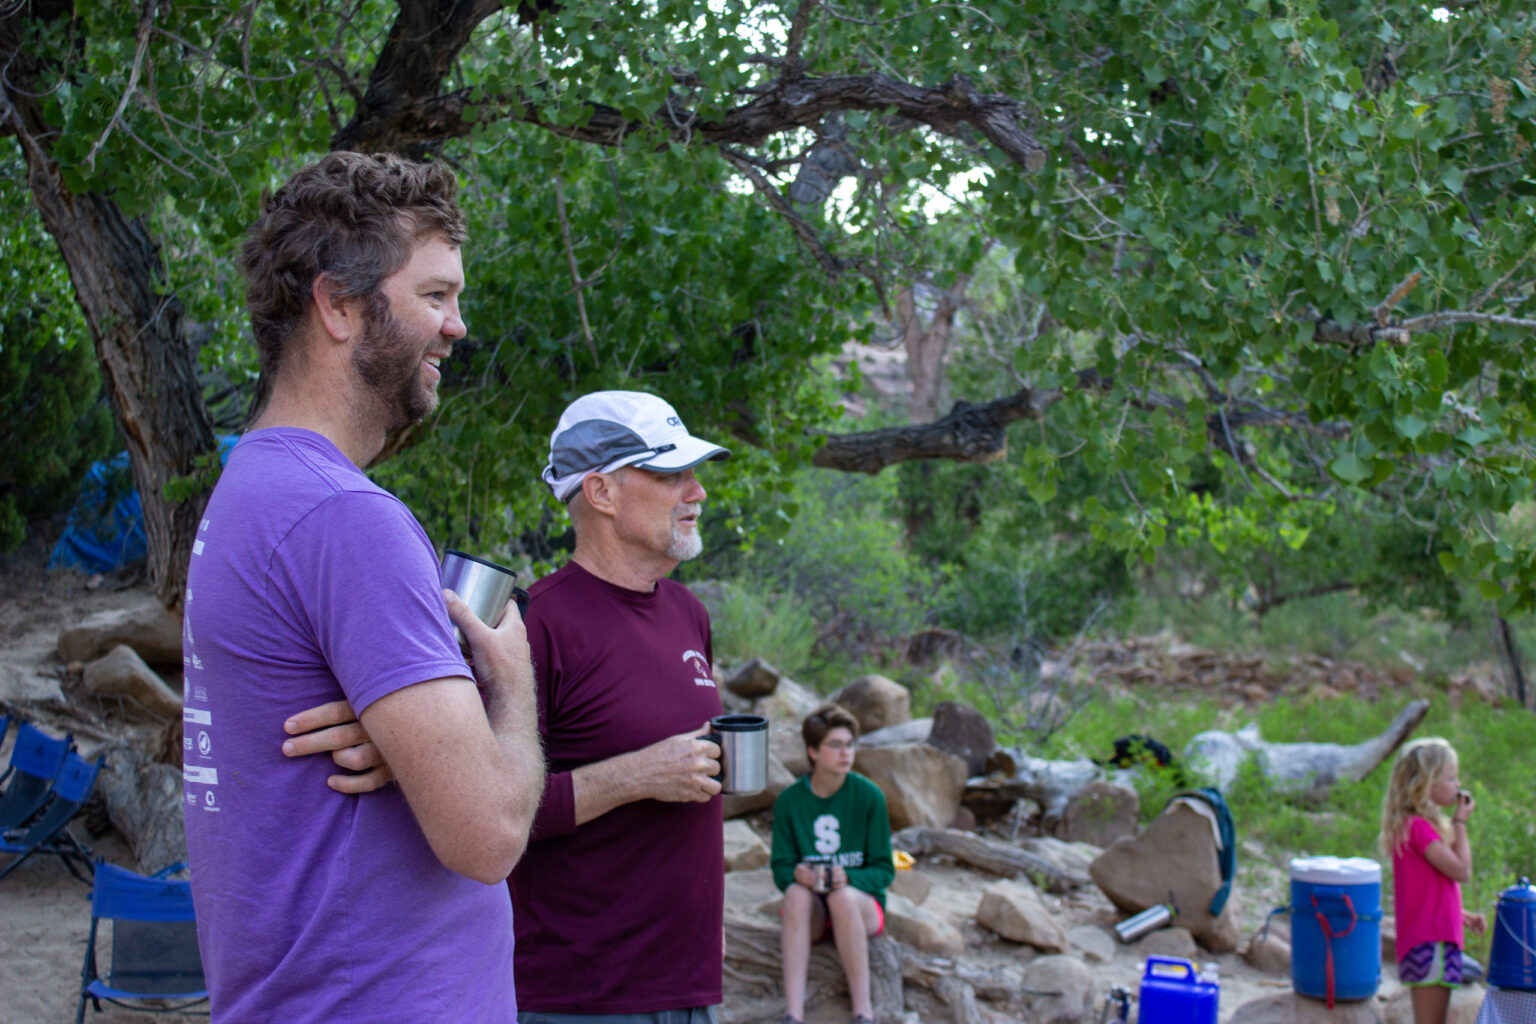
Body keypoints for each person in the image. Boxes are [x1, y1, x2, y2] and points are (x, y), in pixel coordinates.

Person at [182, 151, 543, 1023]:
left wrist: (420, 739)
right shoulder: (345, 518)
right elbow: (488, 835)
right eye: (435, 295)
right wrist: (513, 684)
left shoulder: (253, 489)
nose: (457, 326)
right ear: (339, 305)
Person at [511, 390, 733, 1023]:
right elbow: (489, 810)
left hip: (690, 989)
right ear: (602, 493)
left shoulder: (690, 613)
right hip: (580, 997)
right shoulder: (536, 625)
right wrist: (636, 776)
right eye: (671, 475)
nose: (697, 493)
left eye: (695, 475)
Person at [771, 704, 894, 1024]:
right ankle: (793, 1014)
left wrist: (848, 878)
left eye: (850, 745)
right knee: (795, 894)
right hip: (813, 911)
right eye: (835, 745)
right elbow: (780, 868)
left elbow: (885, 870)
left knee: (842, 897)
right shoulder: (790, 800)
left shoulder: (870, 796)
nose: (845, 753)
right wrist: (794, 875)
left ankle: (863, 1012)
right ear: (813, 751)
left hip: (859, 908)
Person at [1379, 737, 1487, 1024]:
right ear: (1425, 784)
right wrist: (1460, 824)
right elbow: (1461, 871)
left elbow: (1427, 889)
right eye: (1451, 778)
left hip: (1427, 939)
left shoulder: (1412, 826)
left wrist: (1460, 914)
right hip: (1431, 943)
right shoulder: (1419, 828)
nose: (1457, 784)